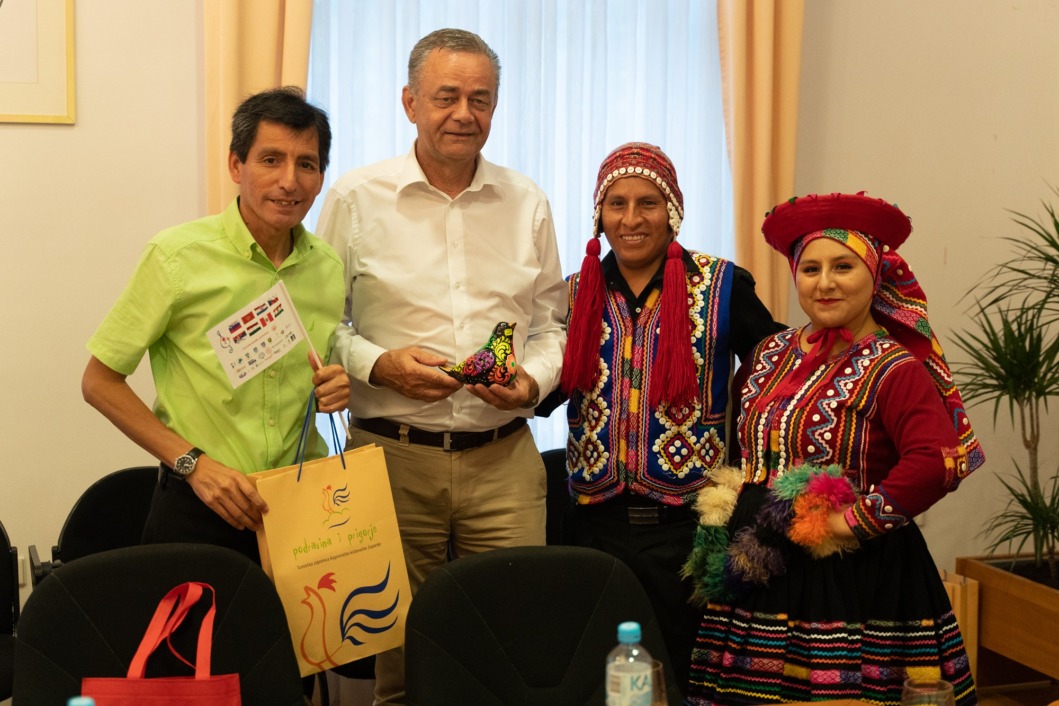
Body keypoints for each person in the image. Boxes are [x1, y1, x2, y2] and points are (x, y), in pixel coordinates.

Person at [315, 28, 566, 705]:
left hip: (504, 459)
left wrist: (533, 382)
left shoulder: (526, 201)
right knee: (402, 662)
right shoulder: (355, 198)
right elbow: (321, 325)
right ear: (409, 102)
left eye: (480, 99)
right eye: (446, 96)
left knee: (512, 651)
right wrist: (379, 366)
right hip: (391, 458)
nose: (464, 114)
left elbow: (552, 324)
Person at [683, 192, 985, 705]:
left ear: (874, 275)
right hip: (760, 566)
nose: (825, 283)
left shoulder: (893, 367)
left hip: (852, 574)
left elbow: (936, 462)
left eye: (843, 267)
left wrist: (850, 523)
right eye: (811, 269)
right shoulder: (768, 353)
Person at [82, 87, 349, 563]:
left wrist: (333, 387)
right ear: (235, 165)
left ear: (320, 177)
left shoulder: (327, 267)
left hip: (298, 506)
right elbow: (99, 383)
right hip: (198, 502)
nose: (289, 181)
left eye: (306, 164)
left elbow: (312, 374)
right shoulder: (176, 256)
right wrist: (193, 464)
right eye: (271, 159)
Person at [555, 142, 783, 696]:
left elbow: (777, 375)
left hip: (689, 530)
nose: (631, 219)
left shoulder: (723, 286)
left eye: (648, 203)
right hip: (594, 527)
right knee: (600, 675)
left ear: (672, 211)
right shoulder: (574, 293)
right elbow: (542, 388)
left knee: (686, 676)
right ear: (599, 215)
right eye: (617, 204)